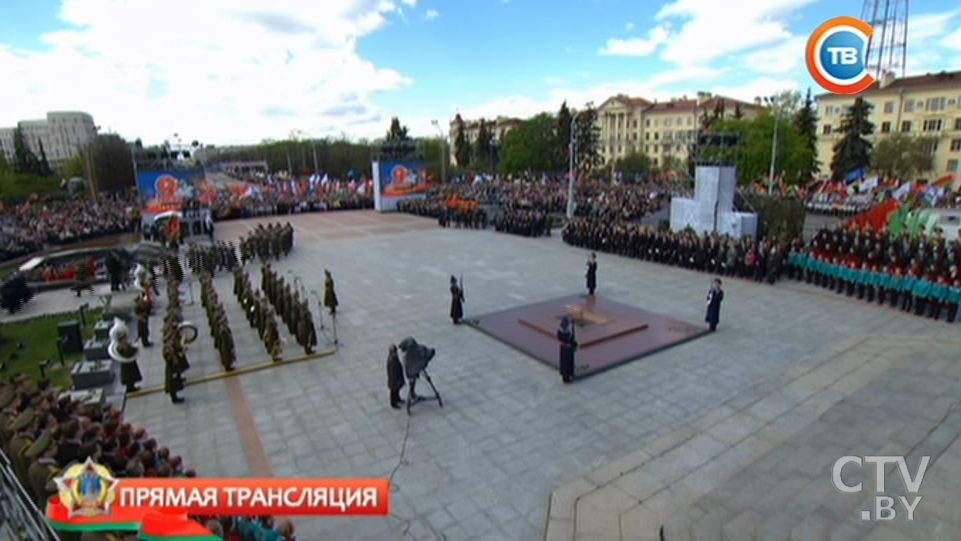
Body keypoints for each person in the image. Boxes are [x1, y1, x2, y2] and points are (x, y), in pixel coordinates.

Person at [557, 316, 577, 384]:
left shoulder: (560, 329)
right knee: (568, 363)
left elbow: (559, 337)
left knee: (564, 362)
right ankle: (567, 377)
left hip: (563, 347)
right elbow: (571, 338)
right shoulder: (569, 331)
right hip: (568, 348)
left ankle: (565, 377)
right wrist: (574, 344)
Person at [386, 344, 405, 409]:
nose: (396, 353)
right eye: (395, 352)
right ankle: (393, 403)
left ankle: (397, 398)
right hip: (394, 380)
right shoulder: (391, 360)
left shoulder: (394, 357)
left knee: (397, 390)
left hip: (397, 378)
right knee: (393, 391)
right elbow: (392, 372)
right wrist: (395, 381)